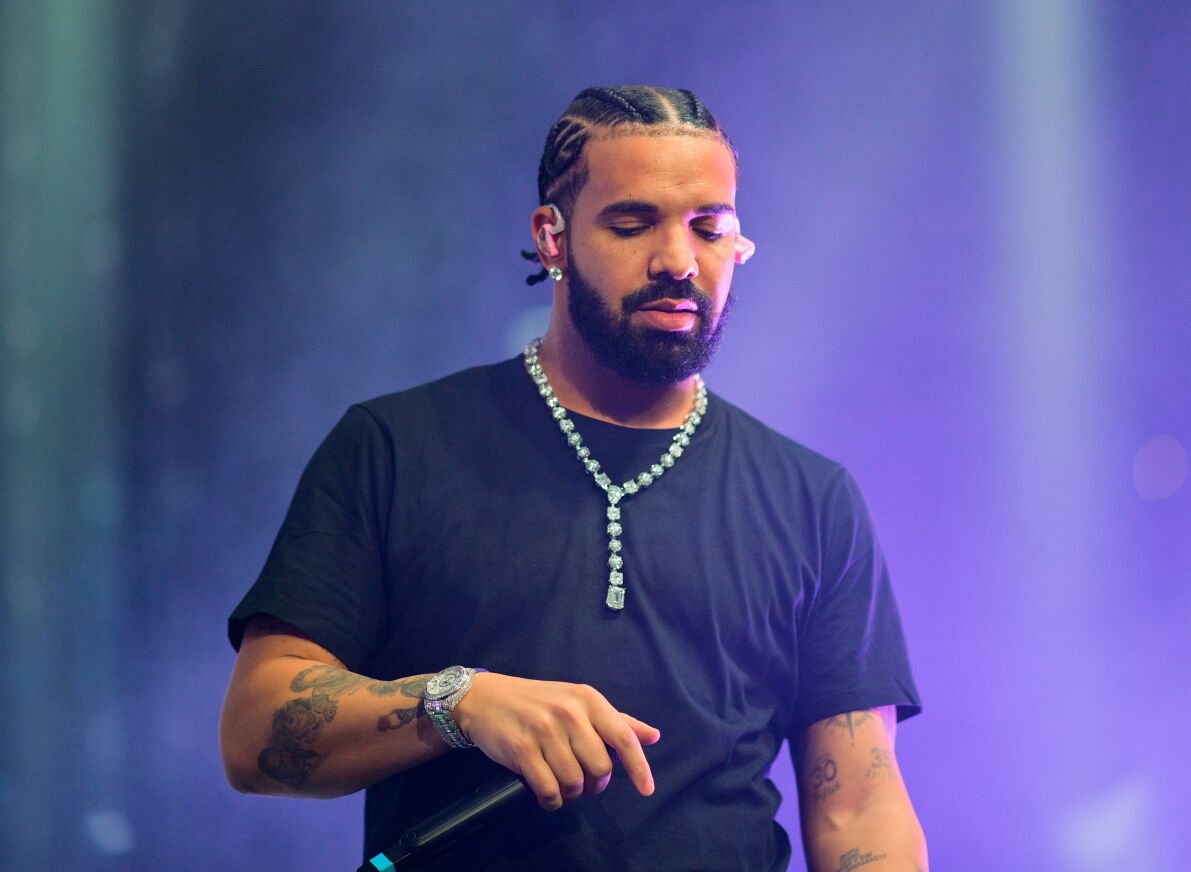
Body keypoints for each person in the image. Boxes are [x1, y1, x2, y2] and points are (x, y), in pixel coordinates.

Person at [220, 85, 926, 872]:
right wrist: (459, 702)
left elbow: (859, 804)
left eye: (710, 228)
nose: (677, 261)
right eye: (632, 224)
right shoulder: (394, 449)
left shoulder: (812, 499)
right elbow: (254, 735)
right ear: (551, 237)